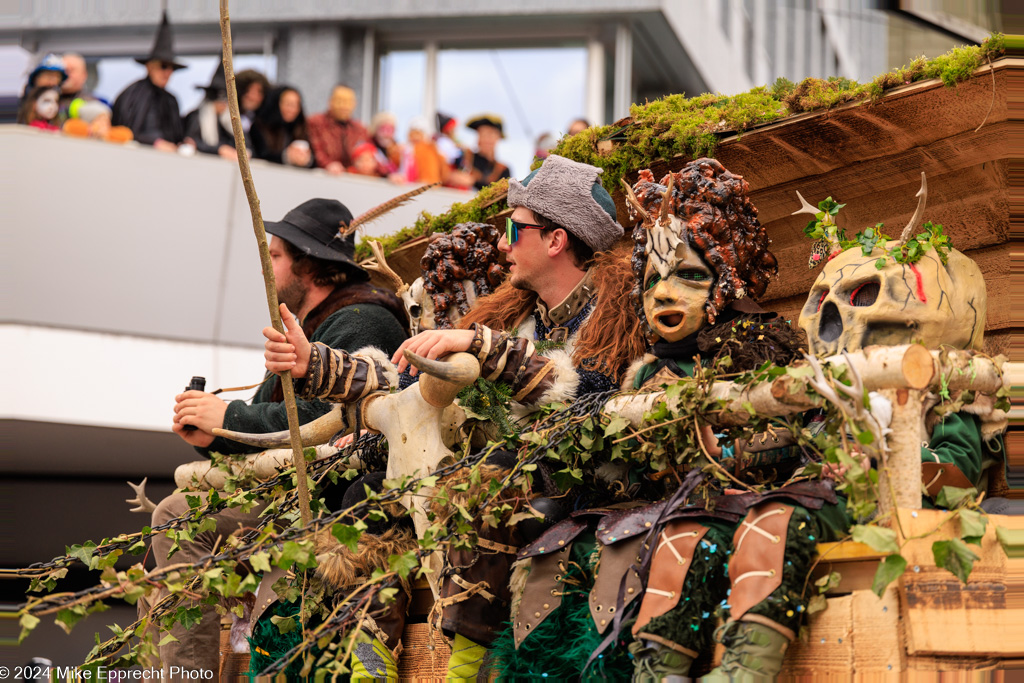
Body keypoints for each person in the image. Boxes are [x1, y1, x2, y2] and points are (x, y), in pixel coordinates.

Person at [262, 154, 648, 679]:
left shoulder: (615, 312)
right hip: (477, 465)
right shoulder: (506, 312)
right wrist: (318, 365)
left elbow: (590, 399)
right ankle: (367, 666)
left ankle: (463, 668)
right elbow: (408, 384)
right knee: (365, 497)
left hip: (567, 481)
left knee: (485, 482)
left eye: (515, 227)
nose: (504, 244)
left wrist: (486, 348)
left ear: (556, 240)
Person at [149, 198, 409, 674]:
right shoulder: (319, 321)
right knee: (176, 523)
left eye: (275, 256)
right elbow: (279, 417)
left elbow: (325, 416)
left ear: (311, 266)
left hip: (327, 494)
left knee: (179, 517)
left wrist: (227, 415)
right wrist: (213, 433)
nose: (266, 267)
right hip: (285, 489)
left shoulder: (363, 319)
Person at [111, 11, 186, 151]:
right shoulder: (132, 95)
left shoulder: (172, 100)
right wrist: (155, 143)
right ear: (149, 66)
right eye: (163, 66)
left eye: (171, 68)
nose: (167, 72)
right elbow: (124, 132)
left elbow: (178, 137)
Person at [306, 84, 370, 175]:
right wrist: (328, 164)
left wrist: (388, 173)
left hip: (352, 179)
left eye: (348, 102)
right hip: (321, 176)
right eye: (339, 100)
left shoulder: (360, 129)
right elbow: (316, 150)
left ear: (354, 104)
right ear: (330, 101)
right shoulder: (315, 122)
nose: (344, 106)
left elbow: (371, 154)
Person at [182, 64, 239, 160]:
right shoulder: (196, 117)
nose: (223, 105)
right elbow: (191, 142)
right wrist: (219, 149)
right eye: (220, 101)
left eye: (226, 101)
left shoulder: (225, 122)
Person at [250, 85, 314, 167]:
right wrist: (286, 156)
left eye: (296, 105)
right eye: (288, 104)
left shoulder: (300, 129)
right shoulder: (260, 127)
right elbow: (261, 155)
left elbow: (315, 161)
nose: (292, 109)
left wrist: (307, 158)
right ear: (276, 103)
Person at [451, 113, 510, 190]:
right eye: (483, 134)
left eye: (491, 135)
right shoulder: (463, 156)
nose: (487, 139)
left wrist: (473, 182)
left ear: (498, 138)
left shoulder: (503, 169)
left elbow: (501, 194)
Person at [58, 53, 92, 123]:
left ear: (84, 75)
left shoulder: (92, 102)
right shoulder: (47, 98)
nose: (66, 74)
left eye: (72, 70)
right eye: (64, 70)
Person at [234, 68, 269, 134]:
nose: (253, 97)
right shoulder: (225, 117)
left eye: (259, 92)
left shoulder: (265, 124)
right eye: (248, 91)